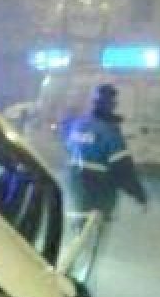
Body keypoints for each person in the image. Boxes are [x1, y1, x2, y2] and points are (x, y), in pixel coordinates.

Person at [62, 83, 149, 220]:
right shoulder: (109, 132)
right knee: (93, 235)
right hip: (98, 195)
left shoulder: (78, 125)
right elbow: (123, 170)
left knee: (79, 233)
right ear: (112, 105)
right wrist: (140, 196)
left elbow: (67, 148)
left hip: (74, 190)